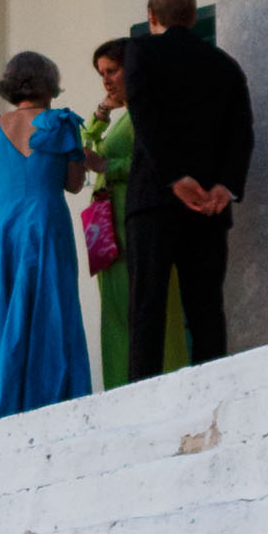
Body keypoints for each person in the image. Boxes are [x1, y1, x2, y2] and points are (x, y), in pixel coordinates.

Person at [0, 50, 92, 429]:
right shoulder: (61, 124)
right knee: (51, 306)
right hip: (47, 220)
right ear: (49, 85)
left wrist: (4, 207)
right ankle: (52, 401)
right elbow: (75, 185)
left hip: (2, 227)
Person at [124, 0, 254, 372]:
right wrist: (225, 187)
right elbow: (241, 132)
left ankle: (142, 393)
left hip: (153, 201)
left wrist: (173, 177)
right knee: (206, 308)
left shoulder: (141, 51)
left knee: (147, 305)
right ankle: (212, 387)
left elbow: (144, 118)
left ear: (152, 17)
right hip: (209, 207)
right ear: (193, 17)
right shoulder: (224, 64)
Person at [81, 38, 185, 387]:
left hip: (136, 215)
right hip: (107, 225)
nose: (107, 80)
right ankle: (119, 385)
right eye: (101, 74)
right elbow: (85, 147)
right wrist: (100, 115)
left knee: (142, 306)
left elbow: (152, 161)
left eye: (112, 71)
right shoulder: (123, 116)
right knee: (115, 312)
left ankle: (159, 379)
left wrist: (108, 166)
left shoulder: (147, 109)